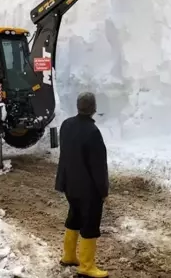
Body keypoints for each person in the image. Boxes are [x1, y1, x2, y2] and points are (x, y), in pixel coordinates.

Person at [54, 92, 109, 278]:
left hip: (69, 184)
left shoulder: (66, 125)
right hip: (88, 188)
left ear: (78, 106)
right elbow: (98, 166)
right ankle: (86, 266)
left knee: (74, 217)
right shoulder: (93, 133)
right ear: (93, 108)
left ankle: (69, 256)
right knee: (90, 224)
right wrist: (103, 190)